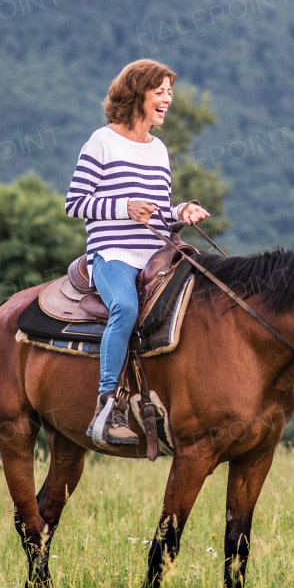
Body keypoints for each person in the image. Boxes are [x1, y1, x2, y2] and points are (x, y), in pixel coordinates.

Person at [64, 59, 210, 446]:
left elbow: (159, 210)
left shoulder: (159, 149)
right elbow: (75, 202)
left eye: (169, 93)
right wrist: (123, 206)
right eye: (159, 92)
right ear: (137, 95)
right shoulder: (102, 141)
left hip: (157, 255)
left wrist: (183, 211)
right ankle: (107, 407)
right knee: (125, 309)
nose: (168, 100)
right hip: (113, 253)